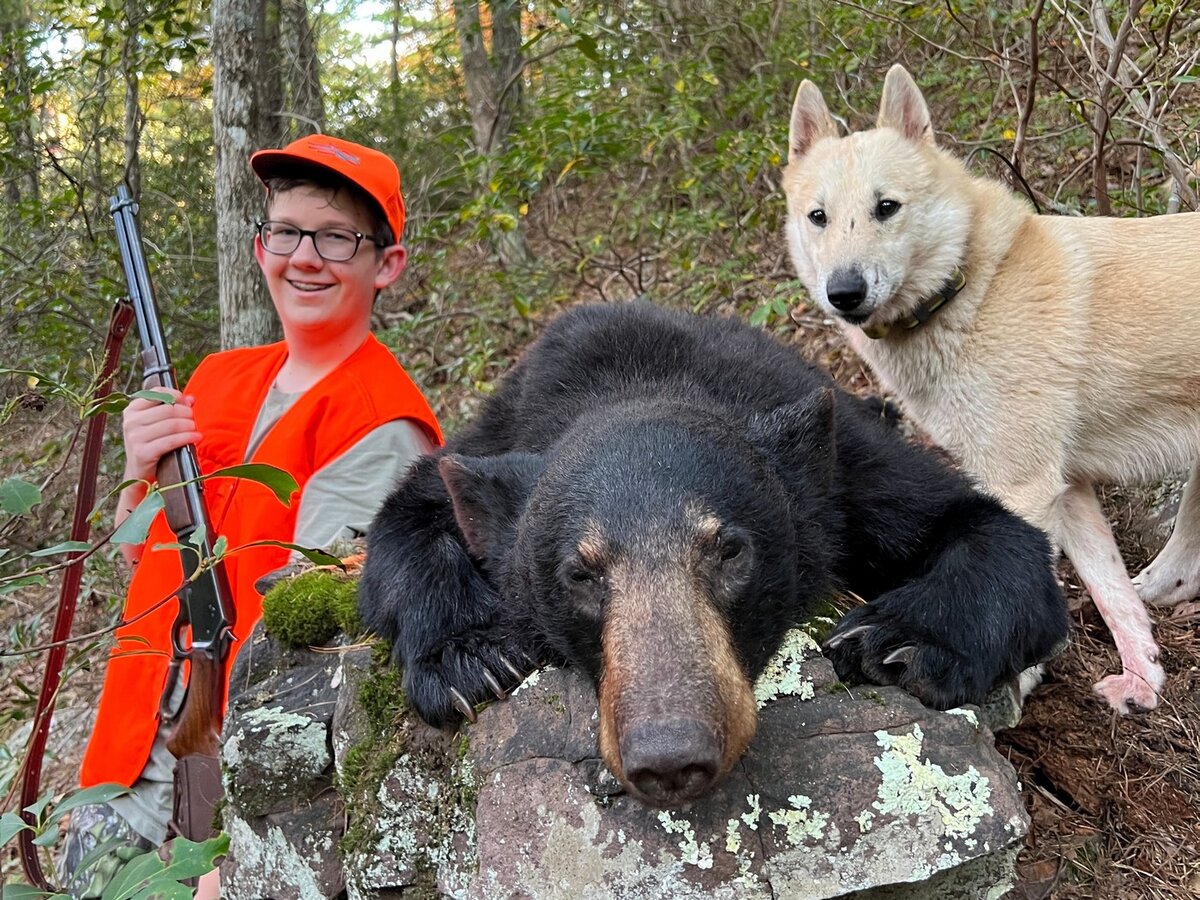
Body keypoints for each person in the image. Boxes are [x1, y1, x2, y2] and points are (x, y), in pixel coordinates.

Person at [61, 134, 442, 897]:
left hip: (243, 782)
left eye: (336, 237)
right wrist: (137, 470)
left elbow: (317, 663)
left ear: (387, 264)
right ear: (262, 243)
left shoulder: (384, 426)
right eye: (287, 231)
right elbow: (145, 559)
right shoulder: (218, 377)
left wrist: (230, 854)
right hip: (121, 755)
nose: (305, 257)